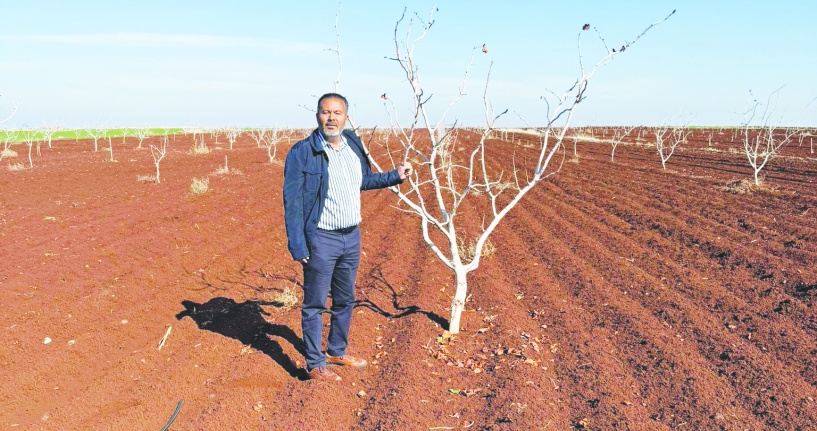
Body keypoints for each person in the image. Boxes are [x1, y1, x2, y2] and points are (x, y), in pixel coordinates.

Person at [283, 93, 412, 381]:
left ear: (346, 117)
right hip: (321, 239)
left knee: (345, 298)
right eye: (325, 112)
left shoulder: (353, 142)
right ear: (317, 115)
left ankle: (336, 351)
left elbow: (363, 180)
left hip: (351, 237)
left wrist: (395, 175)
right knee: (315, 303)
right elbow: (292, 202)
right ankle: (315, 363)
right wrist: (298, 244)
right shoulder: (302, 152)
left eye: (337, 113)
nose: (331, 118)